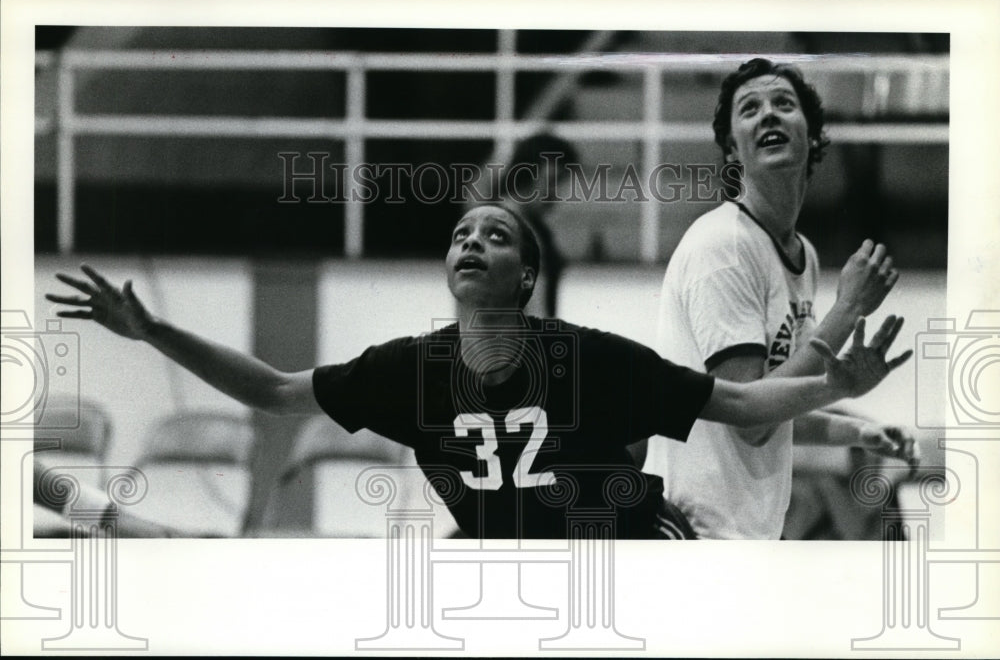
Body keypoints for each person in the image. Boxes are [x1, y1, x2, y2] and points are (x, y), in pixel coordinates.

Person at [47, 204, 911, 540]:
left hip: (626, 553)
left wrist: (836, 385)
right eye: (462, 233)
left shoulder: (589, 358)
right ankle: (92, 513)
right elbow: (274, 389)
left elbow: (738, 399)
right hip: (493, 558)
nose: (472, 242)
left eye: (496, 235)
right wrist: (153, 329)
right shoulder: (409, 372)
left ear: (526, 277)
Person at [640, 58, 919, 540]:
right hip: (697, 530)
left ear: (812, 136)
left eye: (783, 104)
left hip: (750, 531)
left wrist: (852, 433)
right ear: (732, 151)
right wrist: (847, 312)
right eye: (750, 109)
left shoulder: (801, 254)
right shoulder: (723, 247)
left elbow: (777, 403)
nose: (768, 114)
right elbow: (747, 415)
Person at [494, 133, 578, 317]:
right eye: (553, 181)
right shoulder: (519, 231)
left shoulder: (494, 223)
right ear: (527, 175)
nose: (556, 192)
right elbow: (535, 314)